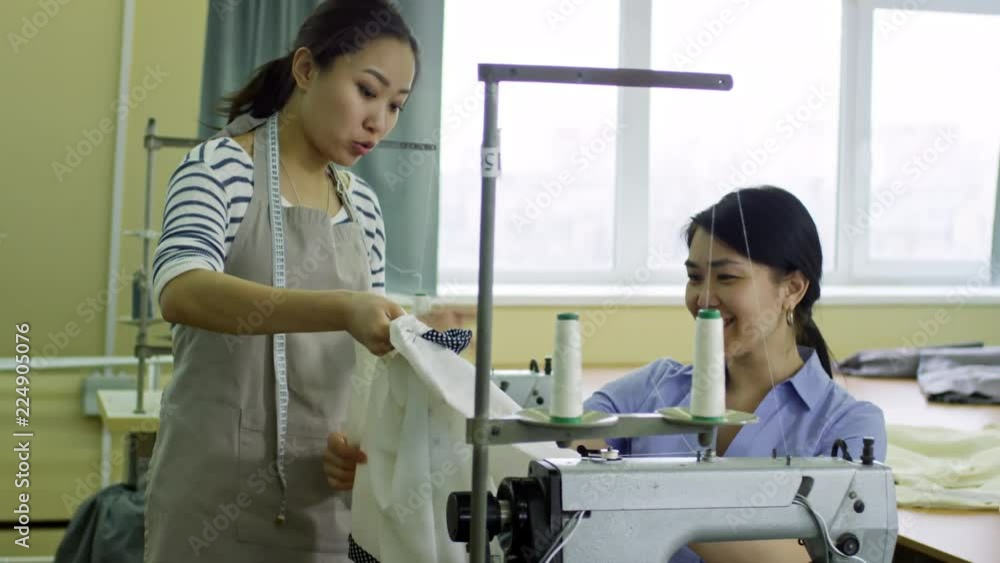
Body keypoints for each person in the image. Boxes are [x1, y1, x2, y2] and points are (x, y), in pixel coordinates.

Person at [144, 1, 418, 561]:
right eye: (367, 91)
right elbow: (181, 288)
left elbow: (370, 367)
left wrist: (362, 444)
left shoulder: (363, 207)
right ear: (306, 69)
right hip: (210, 507)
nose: (379, 122)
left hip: (328, 513)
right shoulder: (219, 168)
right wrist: (343, 307)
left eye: (395, 105)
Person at [581, 186, 888, 563]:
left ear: (792, 288)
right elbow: (573, 445)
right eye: (694, 278)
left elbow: (809, 558)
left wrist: (638, 495)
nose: (703, 299)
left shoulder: (847, 426)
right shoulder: (654, 387)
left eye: (726, 278)